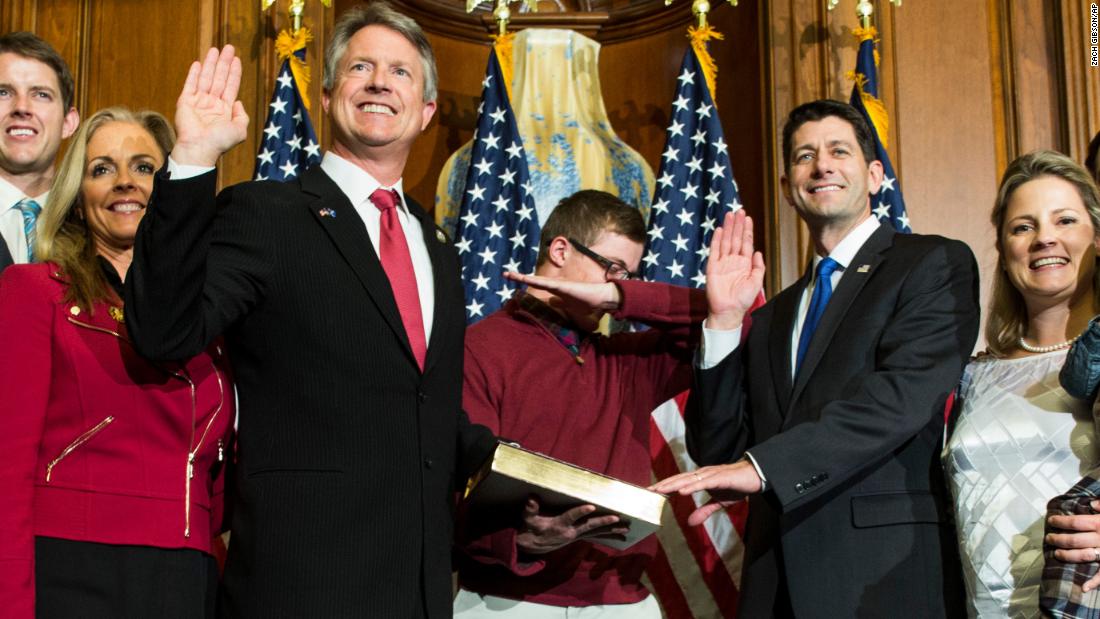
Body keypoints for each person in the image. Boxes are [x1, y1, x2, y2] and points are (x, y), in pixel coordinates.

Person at [122, 4, 494, 617]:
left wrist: (527, 489)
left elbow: (427, 413)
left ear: (427, 110)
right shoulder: (267, 215)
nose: (379, 82)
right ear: (326, 96)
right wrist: (191, 160)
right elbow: (163, 331)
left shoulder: (439, 250)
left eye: (401, 72)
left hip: (419, 591)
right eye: (361, 67)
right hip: (301, 585)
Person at [652, 99, 980, 617]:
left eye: (838, 151)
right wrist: (721, 322)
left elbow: (901, 398)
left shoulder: (932, 264)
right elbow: (719, 449)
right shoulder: (769, 315)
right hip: (772, 582)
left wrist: (764, 467)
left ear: (874, 176)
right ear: (788, 187)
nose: (821, 165)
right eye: (805, 156)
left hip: (880, 580)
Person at [0, 107, 234, 619]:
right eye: (101, 168)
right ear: (78, 200)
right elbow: (6, 471)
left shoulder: (215, 317)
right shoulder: (34, 293)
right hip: (73, 569)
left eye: (145, 168)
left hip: (188, 577)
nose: (125, 182)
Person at [454, 189, 714, 618]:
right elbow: (452, 485)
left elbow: (728, 320)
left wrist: (616, 295)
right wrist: (516, 539)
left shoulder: (624, 361)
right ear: (560, 250)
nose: (619, 286)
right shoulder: (478, 348)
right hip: (508, 603)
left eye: (628, 277)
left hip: (623, 604)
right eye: (612, 269)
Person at [942, 150, 1100, 616]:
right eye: (1023, 227)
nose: (1044, 238)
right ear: (1004, 249)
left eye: (1065, 220)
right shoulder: (967, 376)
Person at [0, 32, 79, 272]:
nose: (22, 107)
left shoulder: (98, 224)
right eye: (3, 92)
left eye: (41, 95)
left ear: (68, 122)